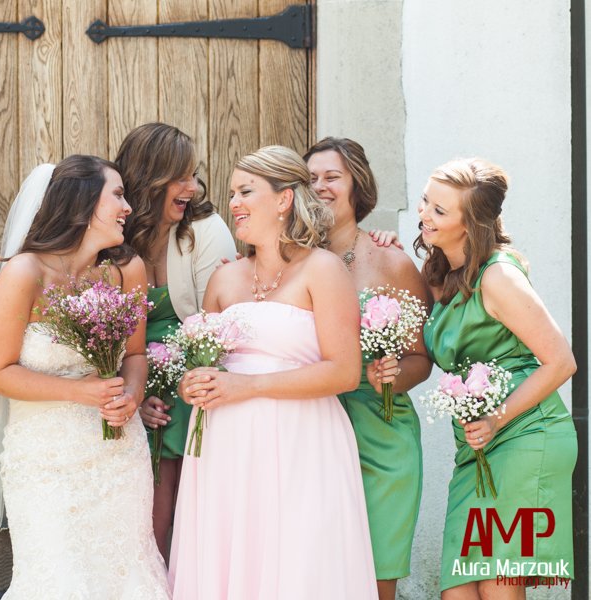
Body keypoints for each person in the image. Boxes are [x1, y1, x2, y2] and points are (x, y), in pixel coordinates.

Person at [171, 145, 377, 599]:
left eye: (246, 191)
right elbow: (203, 366)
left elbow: (344, 372)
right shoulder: (225, 279)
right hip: (224, 449)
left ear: (283, 200)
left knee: (297, 563)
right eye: (231, 193)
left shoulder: (322, 270)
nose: (234, 203)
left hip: (301, 442)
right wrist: (193, 384)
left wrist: (248, 386)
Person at [0, 155, 169, 598]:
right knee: (56, 578)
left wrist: (133, 396)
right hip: (44, 460)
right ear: (83, 202)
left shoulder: (126, 270)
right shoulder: (26, 272)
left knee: (125, 576)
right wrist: (81, 391)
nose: (128, 207)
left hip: (118, 455)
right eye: (117, 195)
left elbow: (135, 355)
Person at [416, 158, 576, 598]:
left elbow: (561, 362)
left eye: (439, 211)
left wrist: (496, 419)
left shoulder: (499, 276)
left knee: (497, 585)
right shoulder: (442, 275)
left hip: (525, 433)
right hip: (476, 446)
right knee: (458, 590)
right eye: (426, 202)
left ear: (470, 225)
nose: (424, 214)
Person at [305, 137, 430, 599]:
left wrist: (393, 376)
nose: (320, 186)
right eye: (311, 178)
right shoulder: (289, 259)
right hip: (311, 428)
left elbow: (422, 357)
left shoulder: (392, 261)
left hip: (382, 432)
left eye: (332, 176)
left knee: (377, 575)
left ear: (357, 182)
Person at [114, 122, 236, 558]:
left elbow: (217, 323)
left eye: (195, 175)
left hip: (191, 382)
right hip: (124, 389)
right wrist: (135, 394)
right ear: (150, 179)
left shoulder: (204, 229)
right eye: (181, 177)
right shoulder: (114, 233)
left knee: (171, 511)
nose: (194, 187)